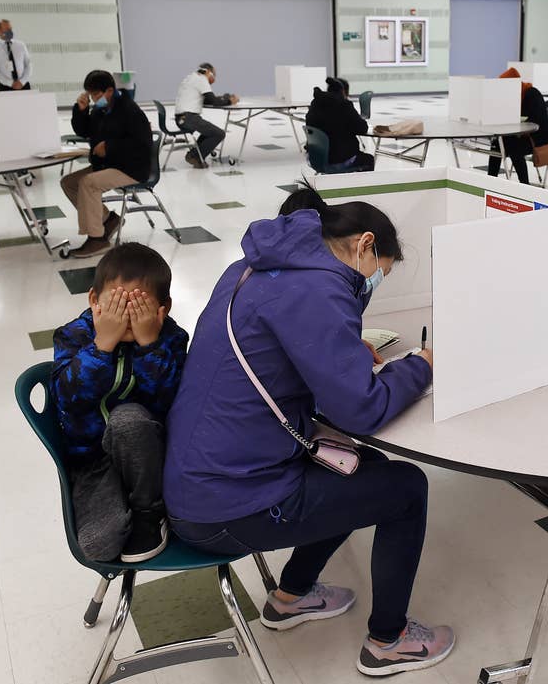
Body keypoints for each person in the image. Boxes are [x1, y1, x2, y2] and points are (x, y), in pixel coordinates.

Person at [163, 188, 454, 676]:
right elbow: (363, 409)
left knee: (364, 468)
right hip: (227, 506)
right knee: (406, 487)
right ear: (364, 245)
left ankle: (291, 595)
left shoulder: (251, 268)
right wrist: (422, 366)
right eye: (379, 268)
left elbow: (274, 351)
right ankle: (389, 641)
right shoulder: (320, 289)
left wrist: (342, 350)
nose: (374, 281)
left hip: (200, 478)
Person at [52, 242, 190, 563]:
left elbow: (173, 401)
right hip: (92, 462)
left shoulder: (171, 338)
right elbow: (66, 398)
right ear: (93, 300)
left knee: (127, 418)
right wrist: (102, 345)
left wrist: (149, 346)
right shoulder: (73, 336)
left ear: (162, 308)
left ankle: (148, 508)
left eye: (137, 309)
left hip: (152, 455)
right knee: (98, 545)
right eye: (116, 306)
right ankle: (134, 502)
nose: (125, 319)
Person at [61, 70, 152, 259]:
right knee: (69, 182)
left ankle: (97, 239)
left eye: (95, 95)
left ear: (110, 91)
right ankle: (108, 219)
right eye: (91, 95)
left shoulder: (130, 110)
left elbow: (142, 144)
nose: (94, 99)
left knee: (88, 182)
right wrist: (81, 110)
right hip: (109, 164)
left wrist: (110, 147)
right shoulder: (100, 110)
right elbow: (84, 130)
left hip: (131, 167)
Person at [487, 67, 548, 184]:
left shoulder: (532, 94)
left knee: (514, 149)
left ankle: (524, 185)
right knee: (496, 145)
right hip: (521, 135)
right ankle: (490, 182)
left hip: (539, 136)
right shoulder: (514, 96)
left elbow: (535, 121)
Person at [172, 62, 238, 168]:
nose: (214, 78)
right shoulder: (201, 79)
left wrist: (224, 99)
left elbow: (207, 100)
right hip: (188, 118)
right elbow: (213, 101)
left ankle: (194, 155)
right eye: (214, 75)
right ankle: (195, 157)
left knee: (209, 132)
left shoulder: (191, 77)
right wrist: (230, 101)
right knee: (219, 134)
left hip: (182, 118)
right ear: (208, 72)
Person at [305, 77, 374, 171]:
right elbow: (362, 128)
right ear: (343, 92)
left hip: (315, 159)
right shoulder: (344, 106)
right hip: (339, 160)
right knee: (368, 159)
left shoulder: (315, 104)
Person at [0, 19, 32, 91]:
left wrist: (22, 82)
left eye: (10, 29)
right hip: (5, 87)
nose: (10, 31)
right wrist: (10, 83)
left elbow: (28, 65)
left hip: (23, 85)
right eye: (7, 29)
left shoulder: (20, 45)